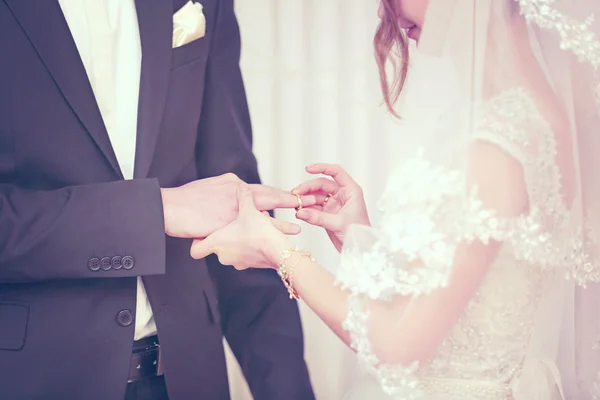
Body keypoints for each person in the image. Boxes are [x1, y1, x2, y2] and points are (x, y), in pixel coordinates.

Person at [193, 0, 600, 398]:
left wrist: (275, 247)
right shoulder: (538, 123)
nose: (380, 10)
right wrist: (359, 236)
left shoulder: (498, 146)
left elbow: (398, 343)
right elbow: (462, 293)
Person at [0, 0, 316, 399]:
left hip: (189, 378)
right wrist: (156, 212)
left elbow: (233, 205)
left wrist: (286, 390)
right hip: (34, 379)